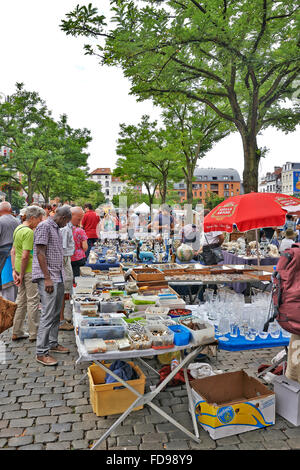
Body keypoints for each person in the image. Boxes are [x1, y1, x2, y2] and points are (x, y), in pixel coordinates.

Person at [32, 206, 72, 366]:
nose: (66, 225)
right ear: (62, 218)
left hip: (57, 274)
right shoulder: (44, 226)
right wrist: (47, 278)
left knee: (55, 313)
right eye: (67, 222)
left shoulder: (55, 228)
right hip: (48, 276)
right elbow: (40, 253)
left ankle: (53, 343)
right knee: (48, 314)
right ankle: (41, 352)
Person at [11, 205, 45, 342]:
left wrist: (15, 270)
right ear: (32, 218)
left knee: (21, 300)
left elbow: (13, 251)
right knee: (32, 301)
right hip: (28, 270)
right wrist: (22, 273)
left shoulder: (18, 228)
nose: (40, 222)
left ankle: (16, 330)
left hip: (19, 268)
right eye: (39, 219)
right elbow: (26, 255)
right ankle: (34, 333)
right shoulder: (29, 232)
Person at [59, 206, 75, 331]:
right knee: (64, 290)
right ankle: (61, 319)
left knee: (66, 289)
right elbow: (62, 249)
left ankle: (63, 317)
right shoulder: (65, 228)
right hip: (64, 260)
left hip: (66, 259)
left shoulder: (68, 227)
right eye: (78, 218)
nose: (80, 221)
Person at [0, 201, 20, 284]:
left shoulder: (0, 221)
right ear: (10, 209)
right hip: (16, 250)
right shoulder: (17, 221)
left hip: (3, 251)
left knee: (4, 277)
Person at [71, 206, 88, 279]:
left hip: (70, 257)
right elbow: (84, 247)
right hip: (79, 257)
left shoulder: (66, 229)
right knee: (78, 277)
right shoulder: (80, 231)